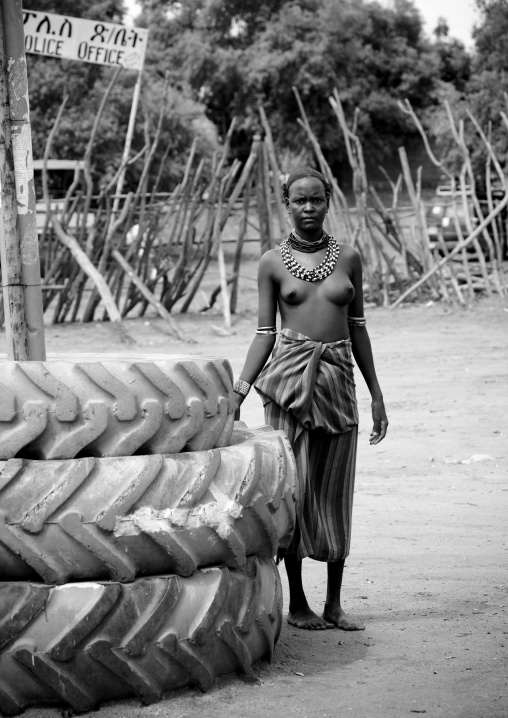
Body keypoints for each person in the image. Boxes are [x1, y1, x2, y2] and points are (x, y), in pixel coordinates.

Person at [233, 167, 388, 631]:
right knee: (293, 489)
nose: (308, 208)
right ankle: (297, 603)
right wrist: (239, 388)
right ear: (287, 203)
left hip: (338, 380)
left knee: (335, 488)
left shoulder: (350, 257)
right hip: (288, 382)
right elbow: (264, 332)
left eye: (316, 200)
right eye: (299, 201)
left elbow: (358, 328)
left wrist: (377, 393)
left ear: (327, 201)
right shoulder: (271, 262)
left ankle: (335, 603)